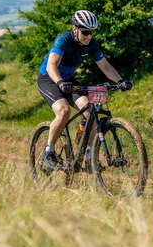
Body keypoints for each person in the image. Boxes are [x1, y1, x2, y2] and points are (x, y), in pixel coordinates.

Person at [37, 10, 132, 170]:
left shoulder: (92, 44)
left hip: (68, 80)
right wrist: (60, 82)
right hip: (48, 78)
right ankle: (49, 152)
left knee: (90, 112)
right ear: (75, 29)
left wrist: (120, 81)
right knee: (63, 111)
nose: (89, 36)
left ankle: (88, 158)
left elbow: (105, 66)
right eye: (85, 32)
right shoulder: (64, 40)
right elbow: (51, 65)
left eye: (92, 32)